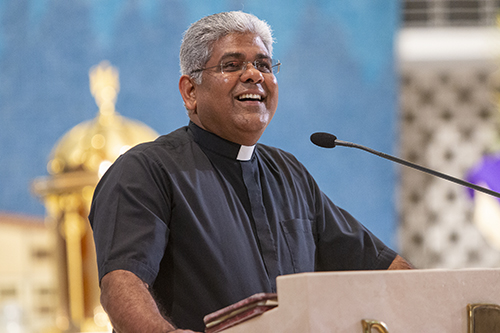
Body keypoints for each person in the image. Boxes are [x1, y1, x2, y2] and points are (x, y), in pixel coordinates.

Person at [89, 11, 412, 333]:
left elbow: (382, 267)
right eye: (232, 65)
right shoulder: (146, 170)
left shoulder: (289, 174)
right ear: (190, 92)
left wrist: (431, 300)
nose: (254, 75)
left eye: (264, 64)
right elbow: (122, 281)